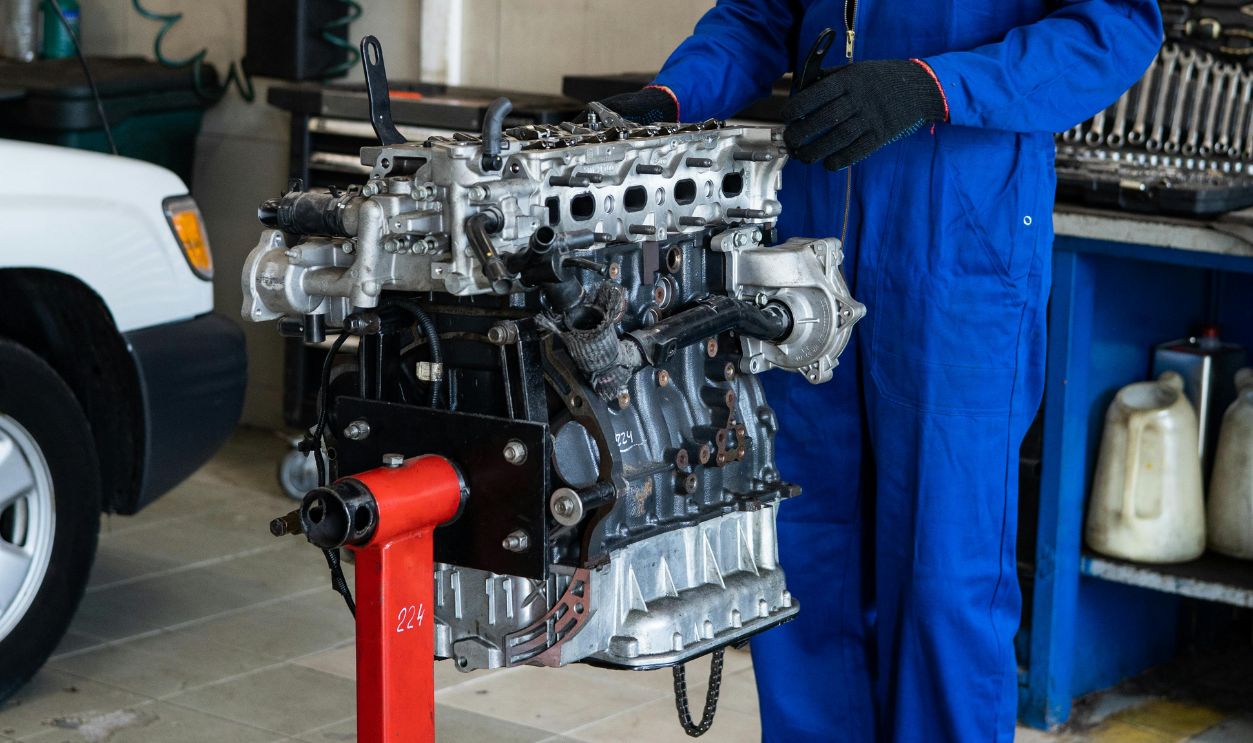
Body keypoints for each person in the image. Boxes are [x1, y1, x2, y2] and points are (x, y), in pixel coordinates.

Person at [594, 2, 1163, 741]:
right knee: (801, 554)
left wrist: (932, 86)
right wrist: (675, 95)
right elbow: (759, 14)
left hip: (960, 251)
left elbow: (1112, 29)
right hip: (805, 248)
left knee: (941, 575)